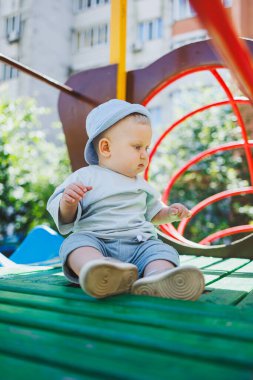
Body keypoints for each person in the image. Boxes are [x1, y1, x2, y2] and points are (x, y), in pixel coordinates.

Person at [47, 99, 205, 300]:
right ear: (105, 148)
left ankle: (157, 277)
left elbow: (154, 214)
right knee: (75, 245)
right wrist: (68, 202)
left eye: (146, 148)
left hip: (139, 244)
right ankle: (97, 268)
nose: (144, 155)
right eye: (137, 147)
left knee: (162, 250)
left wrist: (171, 213)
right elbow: (65, 218)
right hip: (97, 241)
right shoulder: (86, 176)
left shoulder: (140, 183)